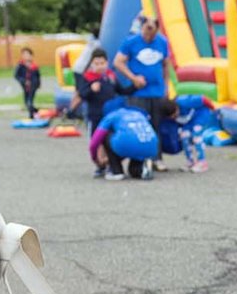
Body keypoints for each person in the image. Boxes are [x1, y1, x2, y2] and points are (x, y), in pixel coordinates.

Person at [72, 47, 142, 178]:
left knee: (109, 141)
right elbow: (81, 94)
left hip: (110, 116)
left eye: (102, 63)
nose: (99, 66)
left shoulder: (110, 76)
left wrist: (134, 86)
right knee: (96, 142)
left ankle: (111, 164)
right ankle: (99, 165)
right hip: (95, 116)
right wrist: (91, 89)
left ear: (107, 63)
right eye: (96, 64)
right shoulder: (87, 78)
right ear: (91, 64)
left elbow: (121, 91)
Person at [117, 14, 171, 101]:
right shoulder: (131, 41)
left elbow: (166, 65)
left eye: (152, 32)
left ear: (156, 30)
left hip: (158, 92)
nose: (148, 35)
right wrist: (133, 78)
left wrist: (166, 87)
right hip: (138, 92)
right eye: (147, 30)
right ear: (142, 27)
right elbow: (118, 62)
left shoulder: (162, 42)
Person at [13, 46, 42, 119]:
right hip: (25, 86)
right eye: (24, 54)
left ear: (31, 55)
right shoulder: (20, 65)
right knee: (26, 103)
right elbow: (16, 75)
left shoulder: (34, 66)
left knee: (30, 101)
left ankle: (31, 116)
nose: (26, 56)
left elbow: (38, 76)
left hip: (33, 86)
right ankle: (36, 111)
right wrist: (24, 81)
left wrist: (38, 84)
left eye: (28, 54)